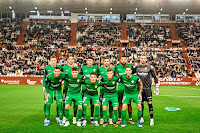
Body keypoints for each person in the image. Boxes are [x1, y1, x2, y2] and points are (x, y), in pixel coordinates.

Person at [133, 55, 159, 126]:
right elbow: (131, 75)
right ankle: (141, 117)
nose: (143, 59)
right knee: (141, 104)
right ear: (139, 59)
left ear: (146, 59)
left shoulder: (150, 67)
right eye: (142, 58)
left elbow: (155, 77)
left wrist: (157, 87)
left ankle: (151, 119)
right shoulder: (137, 67)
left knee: (149, 103)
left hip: (147, 89)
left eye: (144, 58)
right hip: (139, 89)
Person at [42, 55, 62, 124]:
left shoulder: (60, 68)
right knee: (46, 103)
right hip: (49, 88)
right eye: (52, 60)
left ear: (56, 61)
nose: (53, 62)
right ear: (50, 61)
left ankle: (58, 117)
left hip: (58, 89)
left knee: (59, 104)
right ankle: (46, 118)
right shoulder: (47, 68)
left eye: (54, 60)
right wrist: (43, 86)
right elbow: (44, 77)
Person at [115, 56, 134, 124]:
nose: (123, 60)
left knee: (129, 104)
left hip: (128, 88)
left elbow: (134, 75)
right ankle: (119, 118)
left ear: (127, 60)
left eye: (125, 59)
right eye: (122, 59)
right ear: (120, 60)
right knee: (120, 103)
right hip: (120, 88)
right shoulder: (117, 67)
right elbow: (115, 75)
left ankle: (130, 119)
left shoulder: (130, 66)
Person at [81, 57, 99, 123]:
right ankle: (83, 117)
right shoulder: (83, 67)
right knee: (84, 104)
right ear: (86, 62)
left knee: (92, 104)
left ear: (93, 62)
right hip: (85, 89)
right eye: (88, 61)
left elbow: (98, 75)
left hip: (93, 89)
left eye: (91, 61)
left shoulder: (96, 67)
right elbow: (81, 76)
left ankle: (92, 117)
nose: (89, 62)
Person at [62, 55, 79, 124]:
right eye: (69, 59)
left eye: (72, 59)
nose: (71, 60)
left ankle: (74, 117)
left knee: (75, 104)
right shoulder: (64, 68)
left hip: (75, 89)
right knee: (65, 104)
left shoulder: (76, 68)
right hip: (66, 89)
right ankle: (64, 117)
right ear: (67, 60)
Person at [98, 57, 115, 125]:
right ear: (103, 62)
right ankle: (102, 118)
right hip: (103, 90)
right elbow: (97, 77)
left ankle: (110, 118)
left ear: (109, 62)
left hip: (111, 90)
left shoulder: (113, 69)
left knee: (111, 104)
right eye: (105, 61)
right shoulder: (100, 69)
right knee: (102, 104)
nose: (106, 62)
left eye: (108, 61)